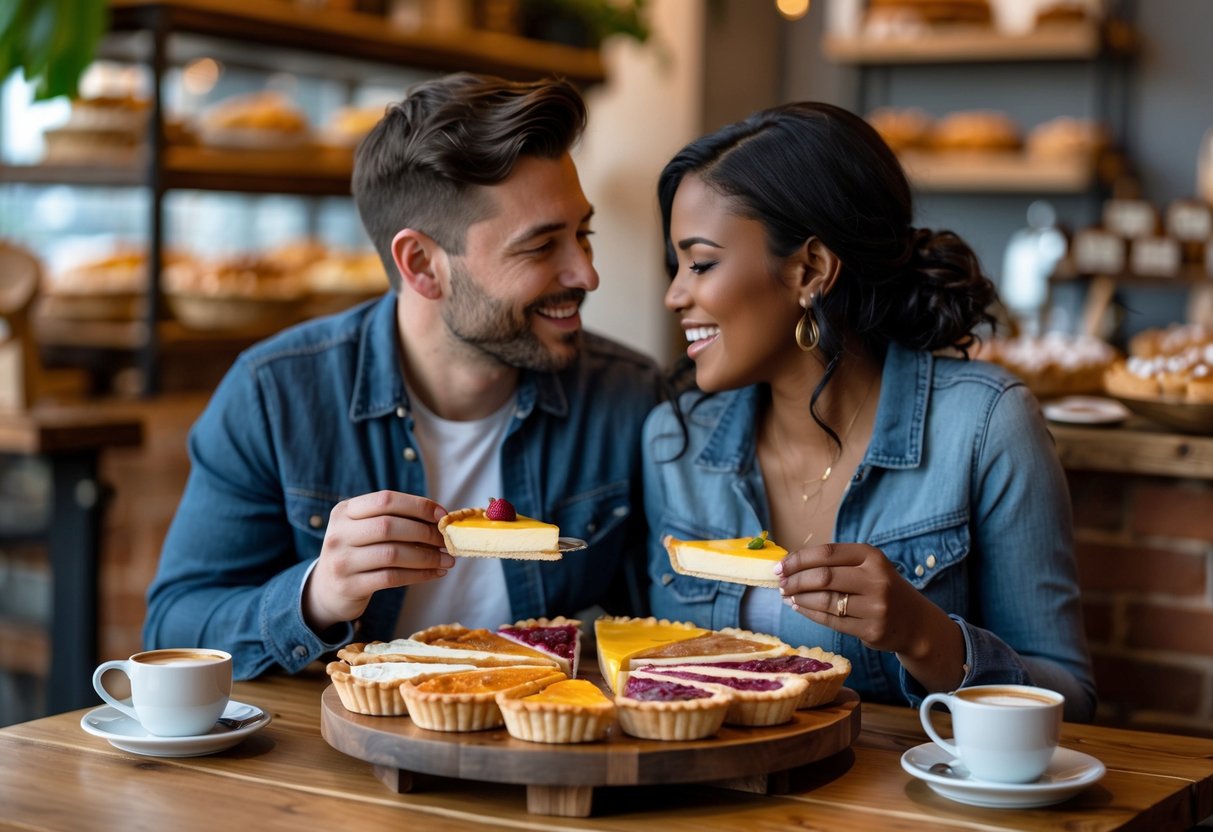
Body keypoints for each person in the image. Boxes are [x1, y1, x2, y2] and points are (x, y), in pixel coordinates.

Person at [144, 74, 661, 679]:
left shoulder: (630, 397)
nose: (586, 274)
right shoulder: (275, 395)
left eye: (584, 234)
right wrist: (317, 595)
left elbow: (679, 624)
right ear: (422, 264)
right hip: (336, 757)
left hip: (546, 744)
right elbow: (172, 628)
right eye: (541, 247)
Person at [643, 101, 1095, 721]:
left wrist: (924, 635)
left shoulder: (985, 427)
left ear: (811, 269)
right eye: (677, 265)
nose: (674, 295)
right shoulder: (676, 441)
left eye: (700, 263)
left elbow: (1070, 699)